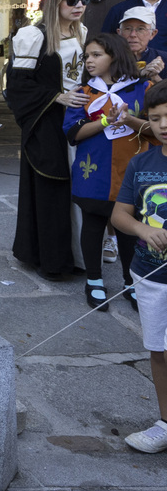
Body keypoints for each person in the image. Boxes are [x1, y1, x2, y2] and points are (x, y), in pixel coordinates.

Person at [8, 0, 90, 279]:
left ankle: (81, 256)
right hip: (48, 123)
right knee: (53, 191)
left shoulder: (82, 32)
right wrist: (58, 97)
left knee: (79, 187)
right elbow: (17, 86)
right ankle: (54, 261)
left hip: (79, 122)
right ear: (57, 2)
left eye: (84, 0)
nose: (79, 6)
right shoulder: (34, 35)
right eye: (72, 1)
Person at [64, 33, 153, 311]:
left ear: (114, 55)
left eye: (96, 55)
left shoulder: (143, 88)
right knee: (93, 224)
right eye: (87, 56)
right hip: (95, 171)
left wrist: (130, 119)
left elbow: (157, 129)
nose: (89, 61)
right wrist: (106, 120)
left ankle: (131, 282)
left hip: (133, 170)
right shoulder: (83, 93)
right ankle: (94, 280)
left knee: (130, 230)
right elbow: (73, 132)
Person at [111, 79, 167, 455]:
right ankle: (165, 421)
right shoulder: (141, 163)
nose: (163, 124)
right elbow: (119, 216)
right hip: (150, 276)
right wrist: (143, 229)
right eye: (156, 118)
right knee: (160, 350)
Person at [116, 5, 164, 83]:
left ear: (152, 34)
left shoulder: (164, 59)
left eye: (141, 29)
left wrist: (155, 78)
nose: (133, 34)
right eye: (127, 29)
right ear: (119, 33)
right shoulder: (108, 60)